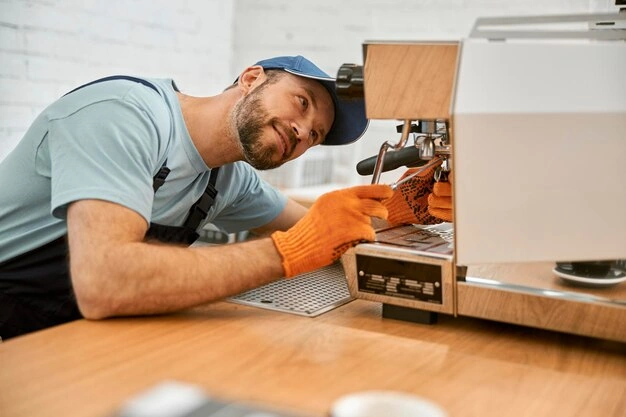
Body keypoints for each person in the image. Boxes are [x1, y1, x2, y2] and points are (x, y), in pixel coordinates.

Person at [0, 55, 451, 340]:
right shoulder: (125, 117)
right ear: (251, 77)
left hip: (68, 334)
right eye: (301, 102)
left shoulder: (226, 179)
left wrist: (406, 207)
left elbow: (322, 226)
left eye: (315, 135)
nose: (302, 131)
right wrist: (292, 252)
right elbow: (105, 283)